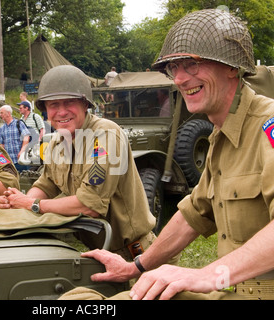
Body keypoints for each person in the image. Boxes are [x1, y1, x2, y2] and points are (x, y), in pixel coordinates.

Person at [60, 8, 274, 301]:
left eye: (192, 64)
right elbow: (193, 215)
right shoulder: (222, 136)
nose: (180, 79)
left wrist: (207, 275)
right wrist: (134, 267)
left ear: (231, 66)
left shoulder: (267, 126)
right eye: (175, 68)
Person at [0, 65, 156, 260]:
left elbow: (89, 205)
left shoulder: (104, 135)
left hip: (134, 257)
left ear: (85, 104)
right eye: (53, 105)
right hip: (97, 255)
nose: (61, 112)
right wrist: (20, 204)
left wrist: (32, 204)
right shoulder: (56, 141)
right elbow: (46, 185)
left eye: (69, 102)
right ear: (45, 110)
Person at [0, 104, 31, 172]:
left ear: (8, 113)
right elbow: (1, 145)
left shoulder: (19, 124)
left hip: (20, 160)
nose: (0, 115)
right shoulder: (2, 128)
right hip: (9, 163)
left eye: (2, 113)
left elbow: (26, 137)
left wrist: (22, 151)